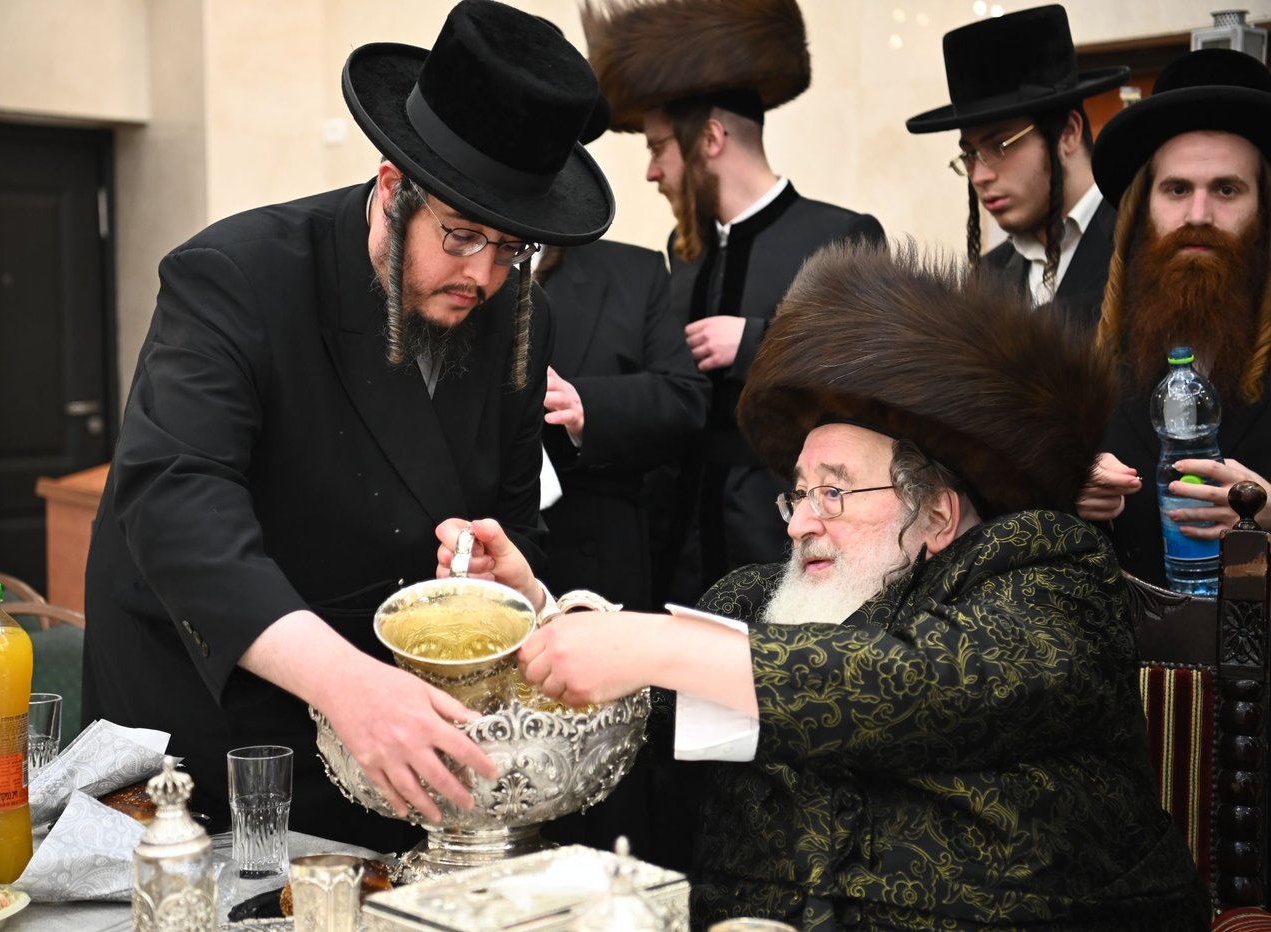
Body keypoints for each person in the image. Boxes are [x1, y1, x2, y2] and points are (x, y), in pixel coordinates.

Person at [435, 243, 1207, 929]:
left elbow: (919, 682)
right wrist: (534, 610)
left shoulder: (1048, 575)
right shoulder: (752, 598)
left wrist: (662, 645)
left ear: (937, 514)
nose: (802, 522)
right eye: (798, 494)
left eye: (834, 492)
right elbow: (629, 701)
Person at [80, 0, 615, 852]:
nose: (482, 275)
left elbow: (515, 518)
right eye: (461, 235)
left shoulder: (522, 314)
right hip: (220, 717)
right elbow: (175, 504)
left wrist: (500, 572)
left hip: (390, 720)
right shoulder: (237, 275)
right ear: (393, 188)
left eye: (513, 249)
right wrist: (346, 683)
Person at [582, 0, 884, 603]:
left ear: (711, 139)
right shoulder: (683, 250)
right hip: (680, 539)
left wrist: (753, 342)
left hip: (784, 537)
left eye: (658, 148)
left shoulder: (842, 235)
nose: (651, 172)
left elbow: (871, 375)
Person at [1077, 48, 1271, 586]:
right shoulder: (1075, 340)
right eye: (1177, 189)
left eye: (1227, 189)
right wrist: (1065, 488)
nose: (1198, 215)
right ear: (1144, 208)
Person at [906, 4, 1129, 324]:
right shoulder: (987, 278)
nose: (979, 175)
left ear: (1068, 133)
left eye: (1000, 146)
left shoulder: (1142, 243)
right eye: (970, 154)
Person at [536, 240, 708, 611]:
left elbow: (684, 400)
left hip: (592, 555)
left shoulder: (633, 271)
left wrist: (586, 405)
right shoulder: (444, 266)